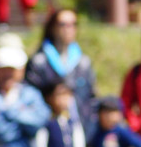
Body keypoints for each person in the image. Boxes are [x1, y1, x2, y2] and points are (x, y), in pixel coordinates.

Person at [25, 8, 98, 136]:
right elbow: (30, 96)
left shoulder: (83, 62)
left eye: (73, 24)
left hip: (78, 130)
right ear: (52, 27)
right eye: (63, 24)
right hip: (48, 131)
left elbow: (91, 98)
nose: (68, 29)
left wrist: (88, 127)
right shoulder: (39, 61)